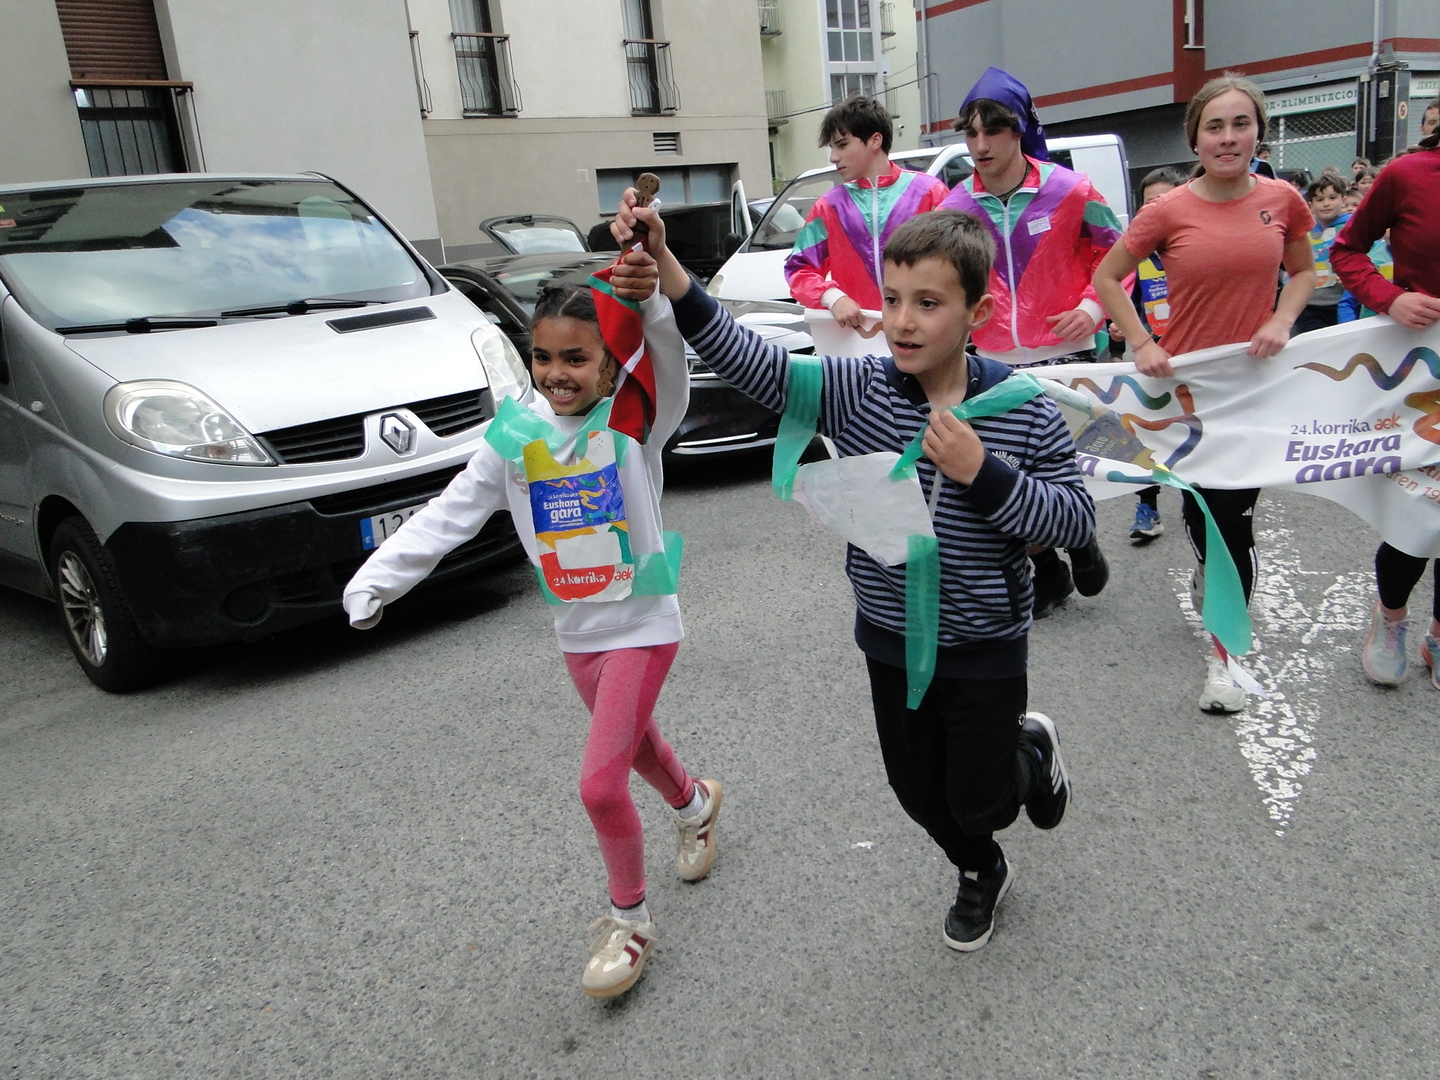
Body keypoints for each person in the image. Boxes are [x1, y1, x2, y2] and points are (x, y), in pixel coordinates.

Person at [612, 199, 1089, 952]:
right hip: (891, 636)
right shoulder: (860, 389)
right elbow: (752, 361)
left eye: (928, 303)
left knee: (984, 799)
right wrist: (670, 265)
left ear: (978, 312)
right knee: (917, 791)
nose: (902, 322)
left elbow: (1073, 522)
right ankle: (980, 868)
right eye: (892, 299)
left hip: (984, 642)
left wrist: (982, 472)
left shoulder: (1025, 410)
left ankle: (1029, 754)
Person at [341, 263, 722, 1000]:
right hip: (577, 637)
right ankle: (696, 806)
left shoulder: (636, 420)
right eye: (542, 357)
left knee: (599, 784)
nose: (556, 374)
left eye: (577, 357)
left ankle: (630, 922)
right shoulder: (514, 437)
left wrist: (651, 299)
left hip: (643, 625)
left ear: (609, 362)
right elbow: (450, 514)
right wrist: (376, 579)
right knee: (637, 746)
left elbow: (666, 353)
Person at [1093, 72, 1316, 714]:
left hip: (1256, 389)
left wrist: (1281, 319)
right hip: (1187, 395)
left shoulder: (1283, 200)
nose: (1227, 137)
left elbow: (1305, 271)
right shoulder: (1167, 209)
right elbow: (1108, 279)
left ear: (1258, 133)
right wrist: (1142, 341)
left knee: (1232, 522)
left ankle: (1227, 658)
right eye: (1214, 126)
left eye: (1240, 124)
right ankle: (1211, 576)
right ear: (1195, 138)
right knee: (1201, 515)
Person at [937, 66, 1118, 616]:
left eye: (993, 130)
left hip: (1066, 354)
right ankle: (1049, 570)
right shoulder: (952, 208)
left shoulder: (1072, 190)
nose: (981, 145)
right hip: (992, 362)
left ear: (1019, 129)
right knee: (1005, 475)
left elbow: (1117, 254)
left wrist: (1092, 307)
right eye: (972, 133)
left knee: (1068, 469)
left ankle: (1080, 540)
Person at [1331, 114, 1440, 688]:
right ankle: (1392, 617)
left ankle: (1439, 635)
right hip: (1420, 374)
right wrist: (1391, 298)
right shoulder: (1407, 175)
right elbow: (1347, 251)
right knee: (1417, 512)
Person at [785, 94, 950, 329]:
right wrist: (832, 298)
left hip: (923, 332)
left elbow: (960, 265)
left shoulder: (930, 193)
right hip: (858, 336)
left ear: (875, 140)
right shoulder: (829, 206)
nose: (833, 157)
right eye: (832, 147)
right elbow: (798, 268)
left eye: (842, 145)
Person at [1108, 167, 1187, 542]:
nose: (1156, 209)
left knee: (1192, 433)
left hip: (1194, 358)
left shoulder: (1198, 250)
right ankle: (1148, 506)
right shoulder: (1136, 256)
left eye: (1164, 200)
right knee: (1142, 433)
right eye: (1148, 203)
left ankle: (1197, 503)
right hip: (1150, 360)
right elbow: (1124, 299)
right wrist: (1120, 336)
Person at [1291, 172, 1352, 335]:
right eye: (1319, 199)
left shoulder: (1353, 228)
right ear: (1311, 205)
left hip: (1344, 302)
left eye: (1332, 198)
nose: (1326, 204)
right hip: (1311, 304)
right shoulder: (1304, 233)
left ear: (1343, 200)